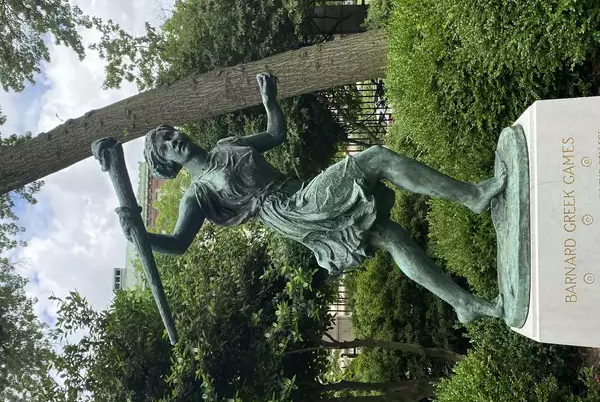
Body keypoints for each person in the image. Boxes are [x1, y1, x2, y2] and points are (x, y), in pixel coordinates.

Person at [121, 73, 506, 324]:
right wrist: (139, 234)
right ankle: (473, 196)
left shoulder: (227, 145)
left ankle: (463, 302)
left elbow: (274, 136)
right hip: (289, 210)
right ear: (169, 163)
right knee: (377, 159)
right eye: (167, 146)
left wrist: (270, 100)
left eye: (171, 134)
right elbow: (177, 244)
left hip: (299, 192)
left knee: (389, 236)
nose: (175, 140)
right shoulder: (197, 194)